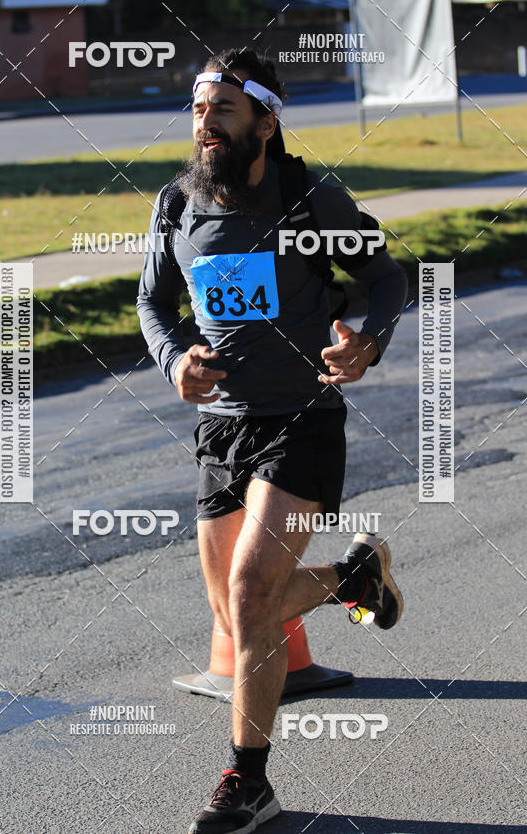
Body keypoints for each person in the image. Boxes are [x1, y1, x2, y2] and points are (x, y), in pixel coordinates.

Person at [137, 48, 407, 834]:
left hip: (302, 422)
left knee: (253, 598)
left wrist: (367, 339)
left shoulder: (311, 196)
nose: (206, 124)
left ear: (265, 118)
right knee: (234, 617)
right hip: (221, 428)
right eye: (198, 110)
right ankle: (355, 580)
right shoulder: (176, 204)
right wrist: (172, 359)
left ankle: (247, 782)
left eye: (222, 110)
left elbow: (385, 279)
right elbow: (152, 303)